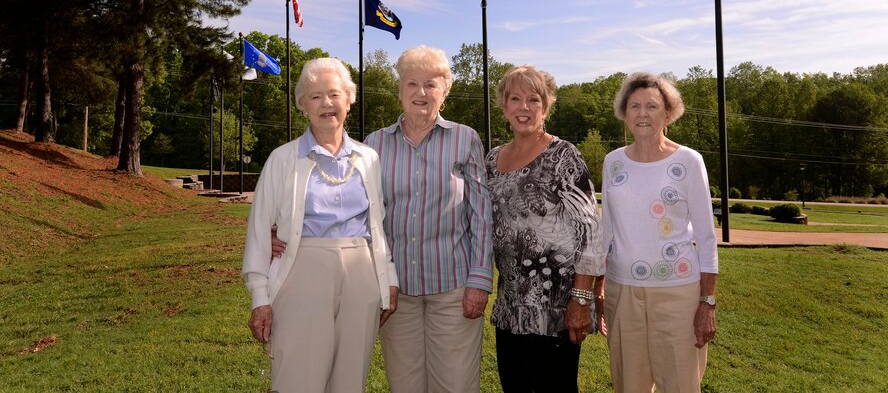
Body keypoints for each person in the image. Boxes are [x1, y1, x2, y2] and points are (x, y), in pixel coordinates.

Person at [271, 45, 493, 392]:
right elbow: (355, 210)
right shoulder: (374, 146)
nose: (421, 93)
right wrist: (283, 229)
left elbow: (481, 215)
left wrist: (480, 279)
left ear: (445, 89)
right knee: (404, 385)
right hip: (395, 291)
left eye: (431, 84)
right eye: (411, 84)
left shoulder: (465, 140)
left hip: (454, 286)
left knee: (456, 385)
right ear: (399, 89)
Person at [242, 57, 399, 393]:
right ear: (302, 105)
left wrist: (389, 280)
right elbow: (258, 232)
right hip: (303, 272)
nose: (327, 103)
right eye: (315, 97)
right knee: (299, 376)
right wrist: (260, 297)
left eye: (335, 94)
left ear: (350, 99)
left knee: (350, 378)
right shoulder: (282, 159)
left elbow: (377, 226)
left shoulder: (368, 158)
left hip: (362, 273)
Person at [485, 65, 606, 393]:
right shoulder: (492, 160)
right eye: (515, 99)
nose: (523, 107)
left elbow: (589, 230)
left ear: (546, 106)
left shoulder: (563, 155)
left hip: (557, 309)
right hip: (510, 307)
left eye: (532, 99)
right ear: (504, 106)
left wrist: (580, 299)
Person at [600, 72, 719, 393]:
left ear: (668, 113)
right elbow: (606, 231)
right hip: (622, 292)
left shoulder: (689, 161)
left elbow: (707, 237)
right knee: (629, 385)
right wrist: (597, 289)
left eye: (651, 106)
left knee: (681, 384)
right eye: (634, 106)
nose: (642, 113)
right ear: (624, 113)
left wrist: (707, 302)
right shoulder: (613, 163)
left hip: (678, 293)